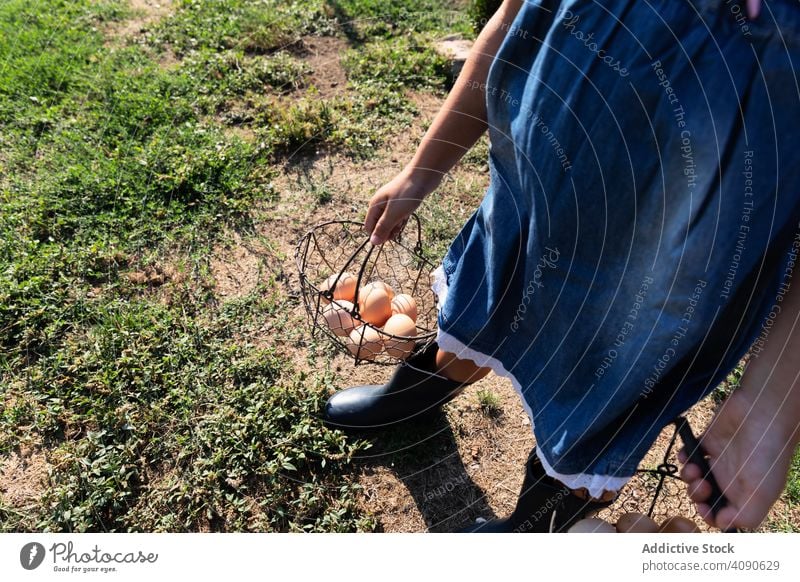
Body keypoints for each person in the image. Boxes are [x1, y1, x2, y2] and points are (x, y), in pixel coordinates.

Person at [324, 0, 800, 532]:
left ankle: (530, 527)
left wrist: (769, 408)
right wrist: (421, 169)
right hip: (547, 169)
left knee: (611, 378)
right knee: (496, 285)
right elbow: (516, 17)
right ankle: (417, 396)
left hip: (698, 222)